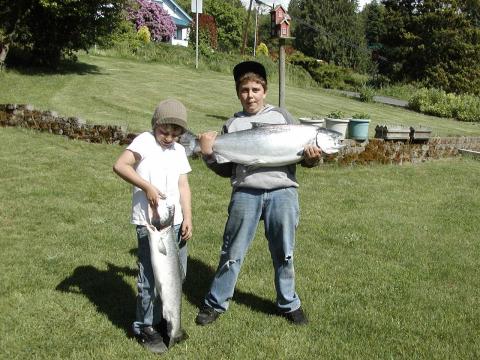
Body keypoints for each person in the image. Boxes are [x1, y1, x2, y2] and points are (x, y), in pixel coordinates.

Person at [195, 61, 321, 326]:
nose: (250, 95)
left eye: (255, 89)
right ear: (237, 92)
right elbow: (227, 169)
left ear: (264, 91)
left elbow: (301, 158)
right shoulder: (232, 125)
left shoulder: (283, 118)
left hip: (282, 192)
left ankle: (288, 303)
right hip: (245, 194)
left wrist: (312, 159)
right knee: (231, 252)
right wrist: (208, 155)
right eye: (244, 90)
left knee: (284, 252)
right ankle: (215, 303)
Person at [113, 99, 192, 354]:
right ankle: (144, 326)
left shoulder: (179, 151)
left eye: (174, 133)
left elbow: (183, 187)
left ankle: (165, 321)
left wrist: (188, 217)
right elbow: (120, 165)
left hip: (176, 223)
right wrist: (146, 186)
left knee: (175, 277)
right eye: (164, 131)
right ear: (154, 125)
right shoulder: (144, 142)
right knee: (149, 278)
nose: (168, 137)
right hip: (150, 225)